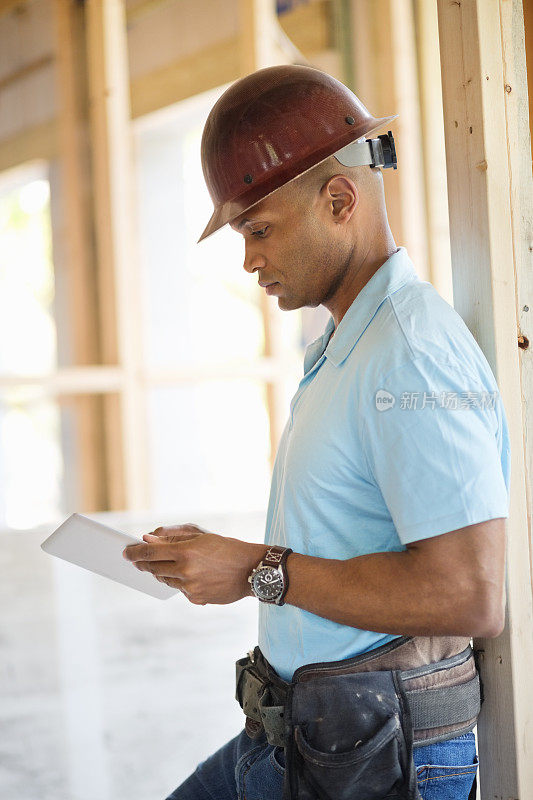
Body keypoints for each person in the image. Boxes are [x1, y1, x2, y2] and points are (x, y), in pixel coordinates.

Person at [123, 65, 510, 800]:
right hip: (304, 734)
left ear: (339, 199)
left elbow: (466, 592)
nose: (249, 259)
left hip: (371, 761)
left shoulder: (410, 353)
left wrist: (253, 570)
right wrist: (225, 557)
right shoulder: (347, 344)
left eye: (258, 229)